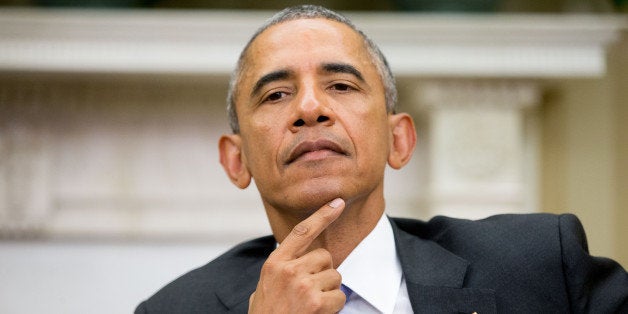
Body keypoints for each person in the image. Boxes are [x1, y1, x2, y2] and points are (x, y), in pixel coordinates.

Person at [135, 5, 628, 313]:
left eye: (341, 86)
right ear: (235, 160)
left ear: (399, 141)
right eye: (277, 94)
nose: (309, 109)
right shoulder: (174, 309)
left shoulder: (541, 264)